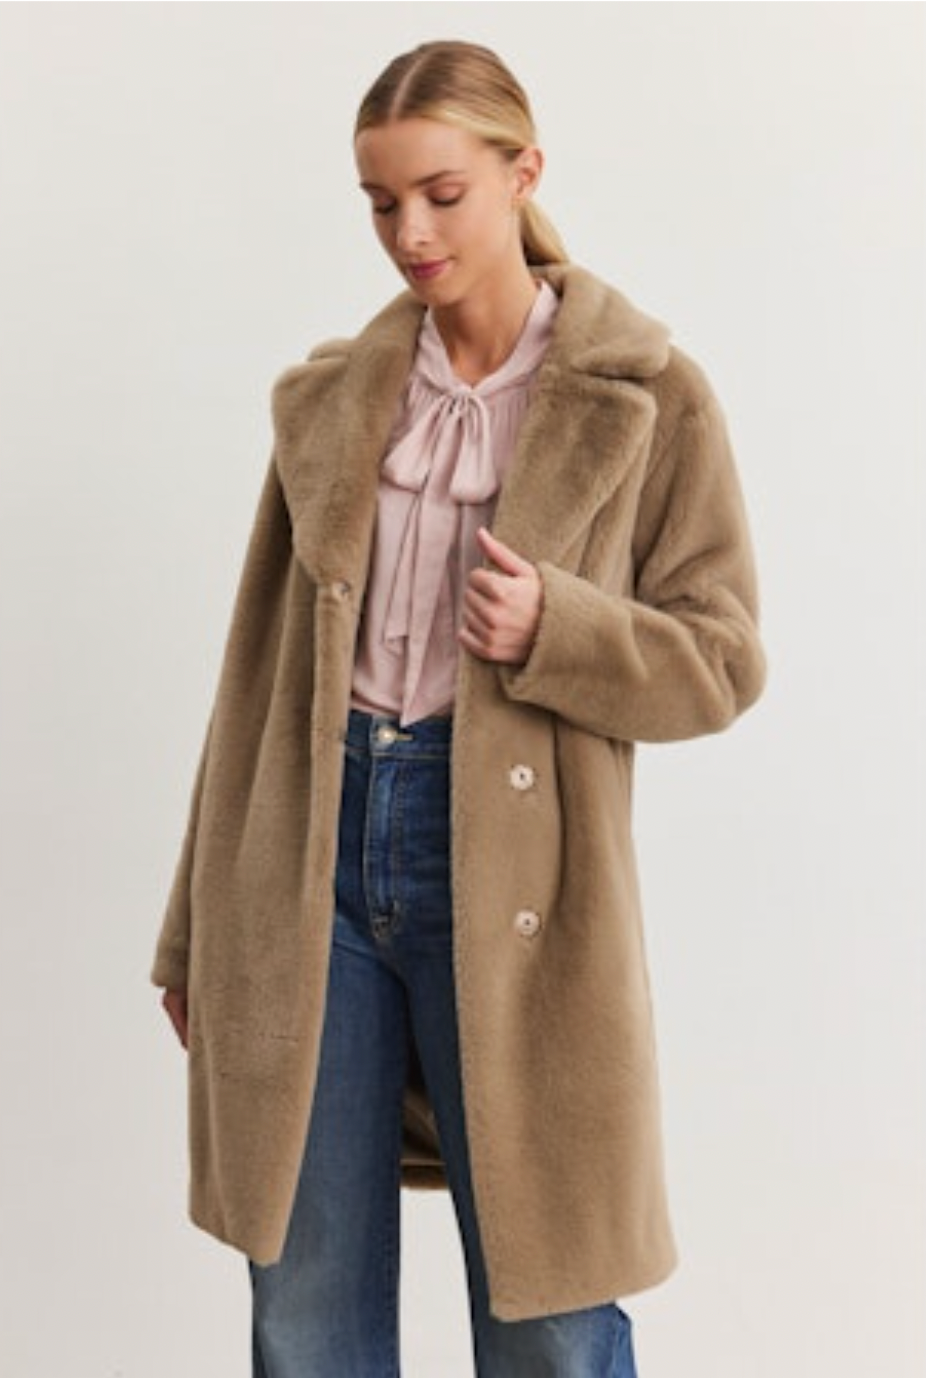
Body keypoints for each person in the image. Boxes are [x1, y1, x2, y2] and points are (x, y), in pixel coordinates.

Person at [151, 39, 765, 1378]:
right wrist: (193, 922)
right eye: (380, 203)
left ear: (522, 173)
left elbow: (722, 659)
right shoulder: (332, 403)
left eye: (441, 194)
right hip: (309, 859)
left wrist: (560, 629)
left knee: (552, 1314)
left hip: (516, 869)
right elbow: (254, 676)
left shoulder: (646, 397)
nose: (409, 235)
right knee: (303, 1307)